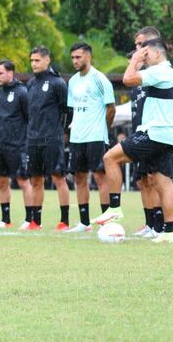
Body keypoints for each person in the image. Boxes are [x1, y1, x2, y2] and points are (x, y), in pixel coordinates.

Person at [96, 32, 172, 228]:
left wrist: (135, 61)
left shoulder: (159, 71)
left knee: (110, 158)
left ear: (157, 53)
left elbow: (128, 79)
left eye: (146, 55)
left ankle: (114, 208)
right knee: (163, 183)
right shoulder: (168, 71)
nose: (143, 58)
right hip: (166, 135)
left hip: (153, 133)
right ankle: (169, 231)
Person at [66, 42, 115, 232]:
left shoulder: (100, 79)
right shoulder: (72, 81)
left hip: (95, 136)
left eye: (78, 57)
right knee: (79, 178)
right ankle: (84, 223)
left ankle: (106, 223)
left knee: (100, 177)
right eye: (73, 58)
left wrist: (103, 129)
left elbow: (111, 109)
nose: (75, 61)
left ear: (88, 56)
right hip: (77, 137)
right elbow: (73, 110)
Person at [125, 28, 167, 237]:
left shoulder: (160, 72)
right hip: (140, 132)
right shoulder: (142, 72)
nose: (137, 50)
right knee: (142, 180)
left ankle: (160, 225)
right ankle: (150, 224)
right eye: (136, 46)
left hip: (156, 134)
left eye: (141, 45)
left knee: (156, 179)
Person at [25, 46, 70, 231]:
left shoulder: (58, 83)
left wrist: (61, 131)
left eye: (37, 60)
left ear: (47, 60)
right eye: (32, 61)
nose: (34, 64)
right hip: (33, 139)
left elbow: (67, 111)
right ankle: (35, 222)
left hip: (52, 138)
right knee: (36, 180)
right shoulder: (30, 84)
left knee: (58, 178)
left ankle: (65, 221)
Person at [0, 60, 32, 230]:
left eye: (0, 73)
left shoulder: (22, 92)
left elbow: (29, 119)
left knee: (22, 181)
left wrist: (26, 142)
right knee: (1, 181)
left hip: (18, 145)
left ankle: (30, 219)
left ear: (10, 73)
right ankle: (5, 220)